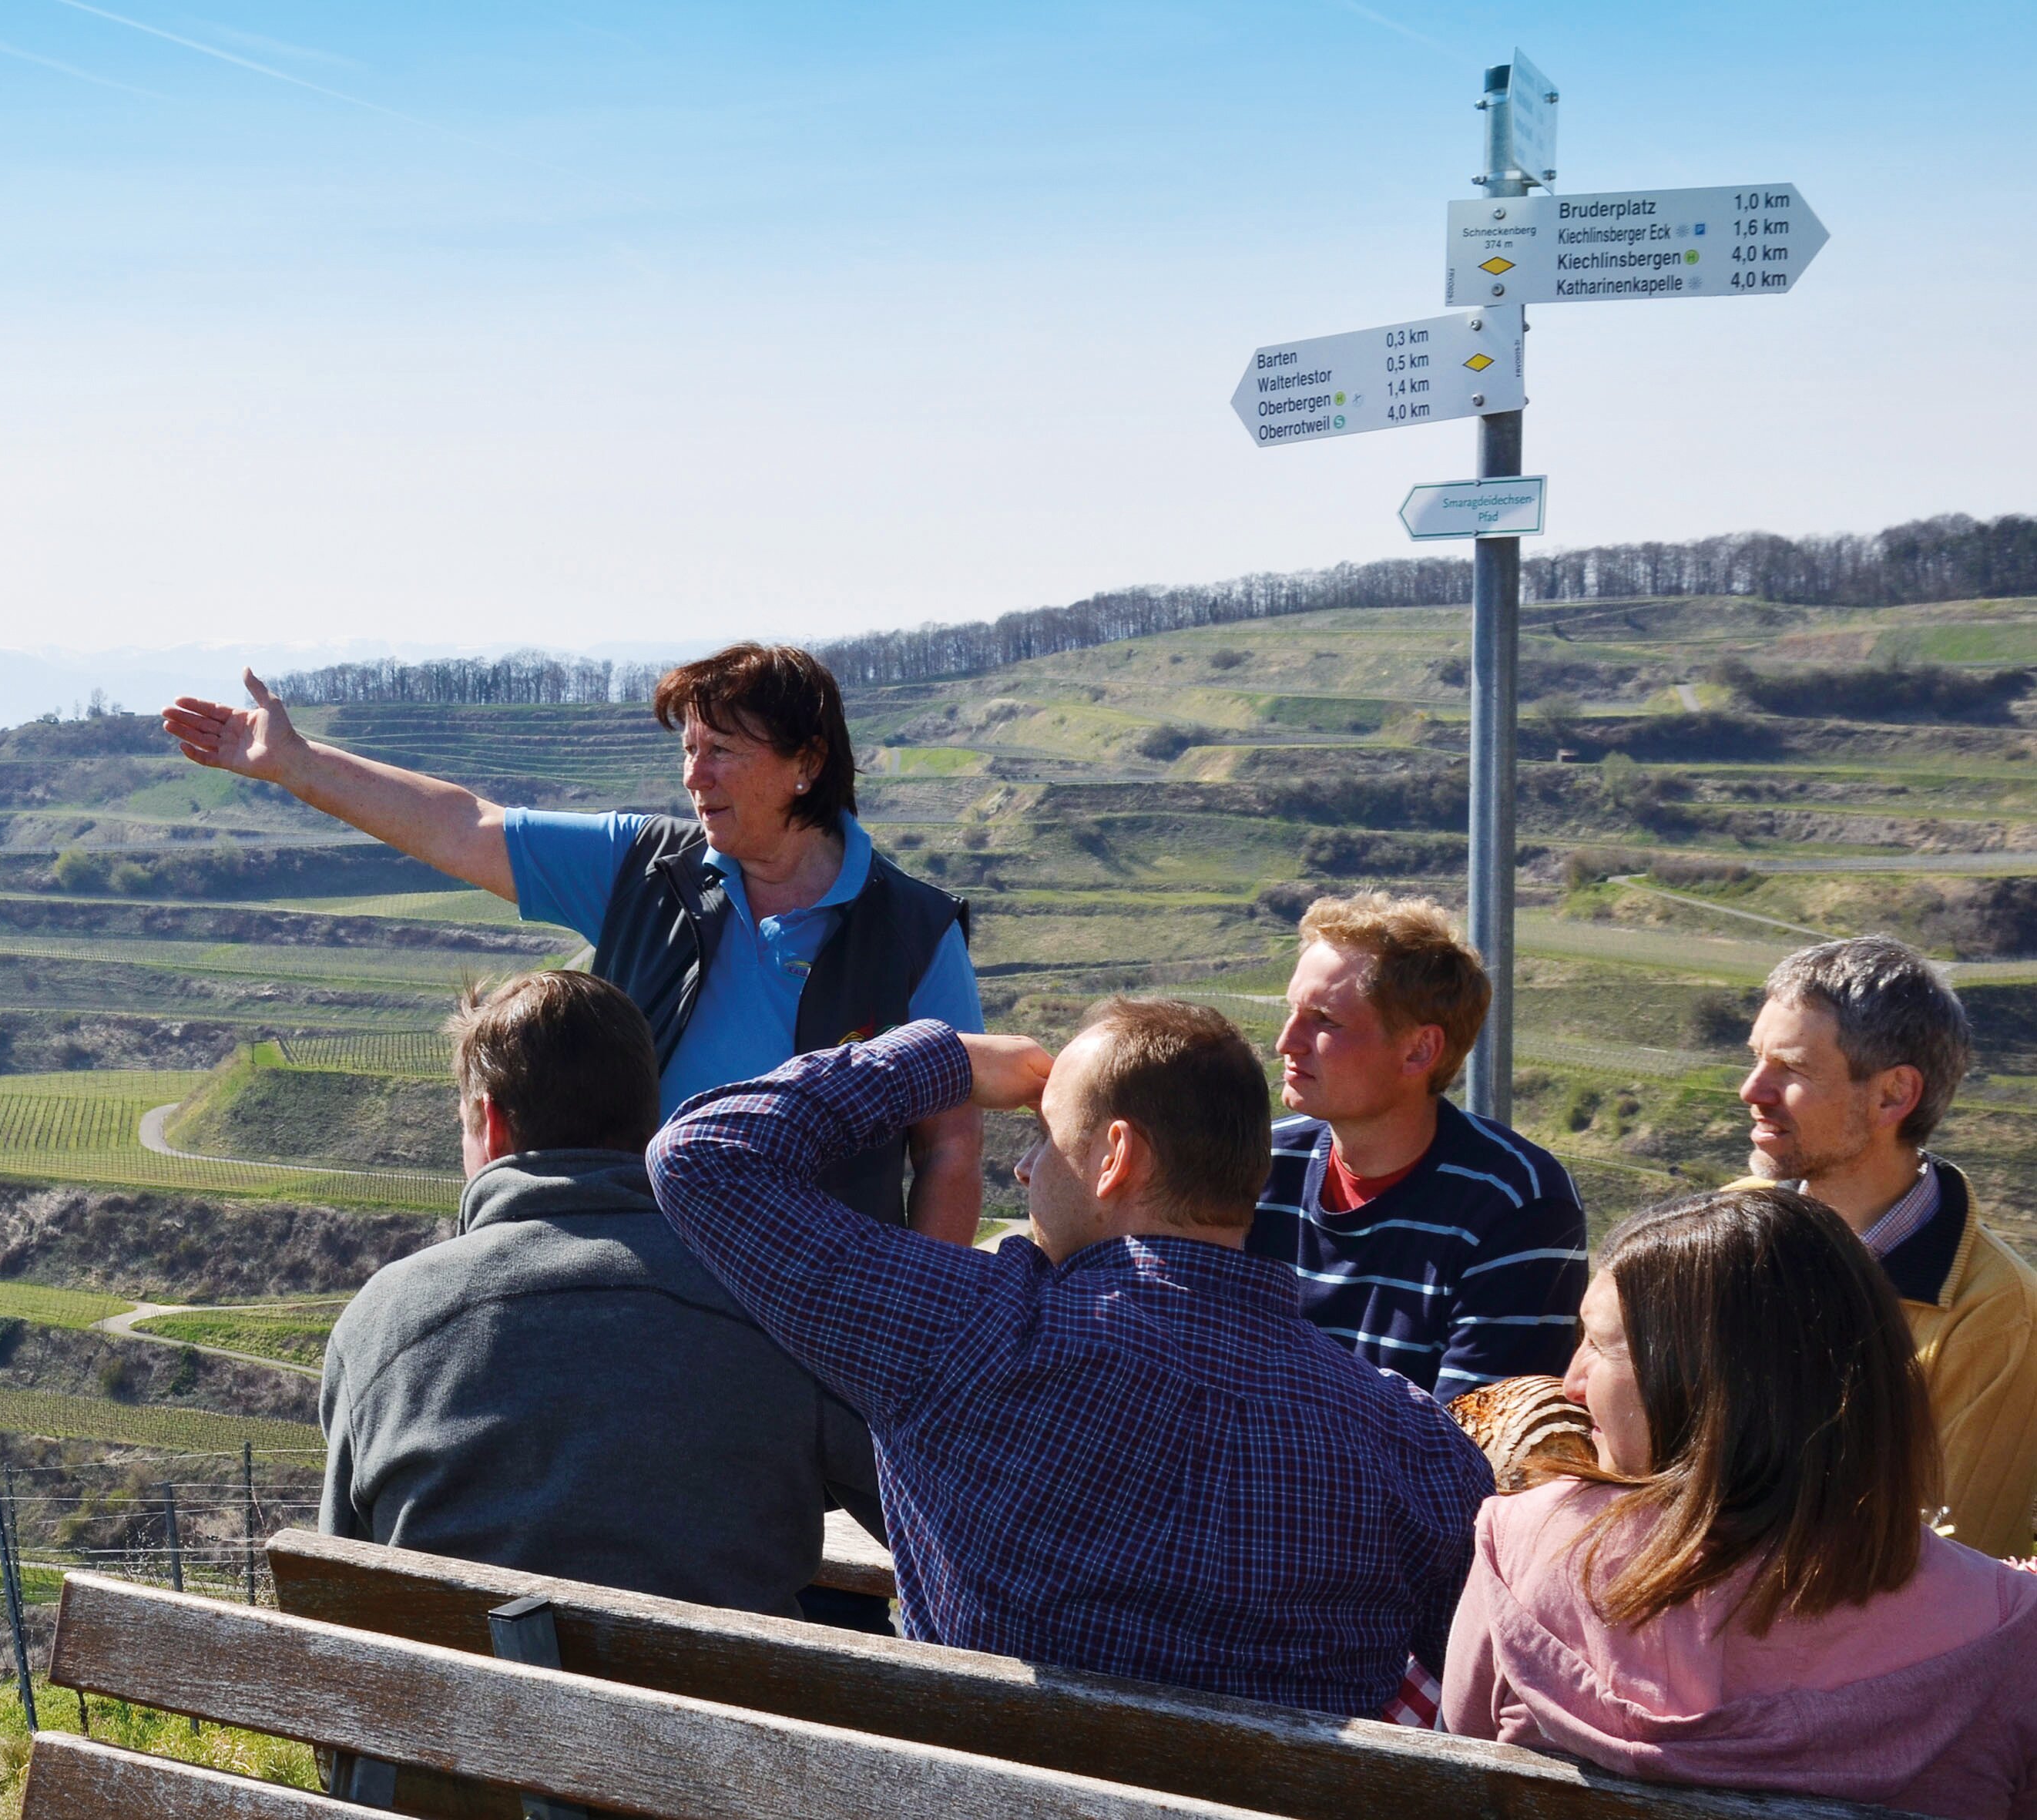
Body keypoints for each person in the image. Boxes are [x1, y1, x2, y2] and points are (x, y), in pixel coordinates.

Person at [646, 1001, 1495, 1716]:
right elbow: (1480, 1680)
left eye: (1046, 1138)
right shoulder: (1410, 1444)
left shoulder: (971, 1337)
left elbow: (703, 1153)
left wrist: (946, 1056)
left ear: (1116, 1158)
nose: (1024, 1165)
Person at [163, 644, 987, 1240]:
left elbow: (949, 1148)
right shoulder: (645, 867)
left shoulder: (914, 931)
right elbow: (465, 823)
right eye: (689, 751)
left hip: (818, 1313)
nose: (695, 777)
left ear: (806, 765)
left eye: (723, 753)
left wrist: (914, 1330)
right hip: (635, 1276)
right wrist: (298, 765)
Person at [1443, 1187, 2037, 1819]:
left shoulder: (1519, 1542)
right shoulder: (2004, 1629)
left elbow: (1453, 1763)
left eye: (1599, 1344)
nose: (1571, 1381)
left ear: (1708, 1383)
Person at [315, 969, 884, 1618]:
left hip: (460, 1715)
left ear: (491, 1124)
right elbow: (917, 1517)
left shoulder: (381, 1319)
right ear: (651, 1117)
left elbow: (345, 1580)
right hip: (721, 1714)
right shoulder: (766, 1299)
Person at [1733, 935, 2037, 1559]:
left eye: (1789, 1069)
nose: (1751, 1090)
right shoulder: (1725, 1225)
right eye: (1755, 1059)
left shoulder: (1997, 1313)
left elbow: (1950, 1565)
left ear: (1893, 1095)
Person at [1253, 893, 1589, 1398]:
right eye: (1292, 1012)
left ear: (1418, 1050)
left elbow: (1473, 1444)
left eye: (1323, 1019)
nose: (1287, 1042)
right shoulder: (1256, 1165)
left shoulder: (1518, 1202)